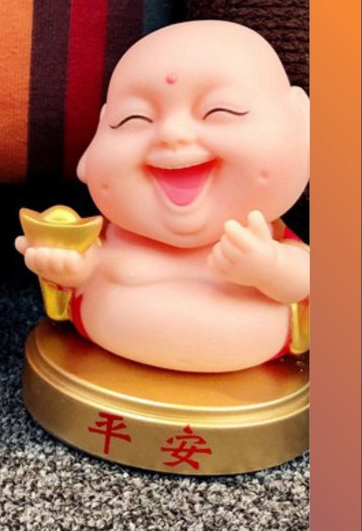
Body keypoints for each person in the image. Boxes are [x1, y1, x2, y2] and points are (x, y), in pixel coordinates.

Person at [17, 20, 310, 372]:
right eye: (134, 119)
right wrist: (68, 269)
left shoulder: (267, 240)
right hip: (105, 343)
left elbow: (306, 283)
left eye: (220, 111)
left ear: (302, 126)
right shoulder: (111, 237)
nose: (172, 133)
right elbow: (77, 277)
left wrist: (269, 268)